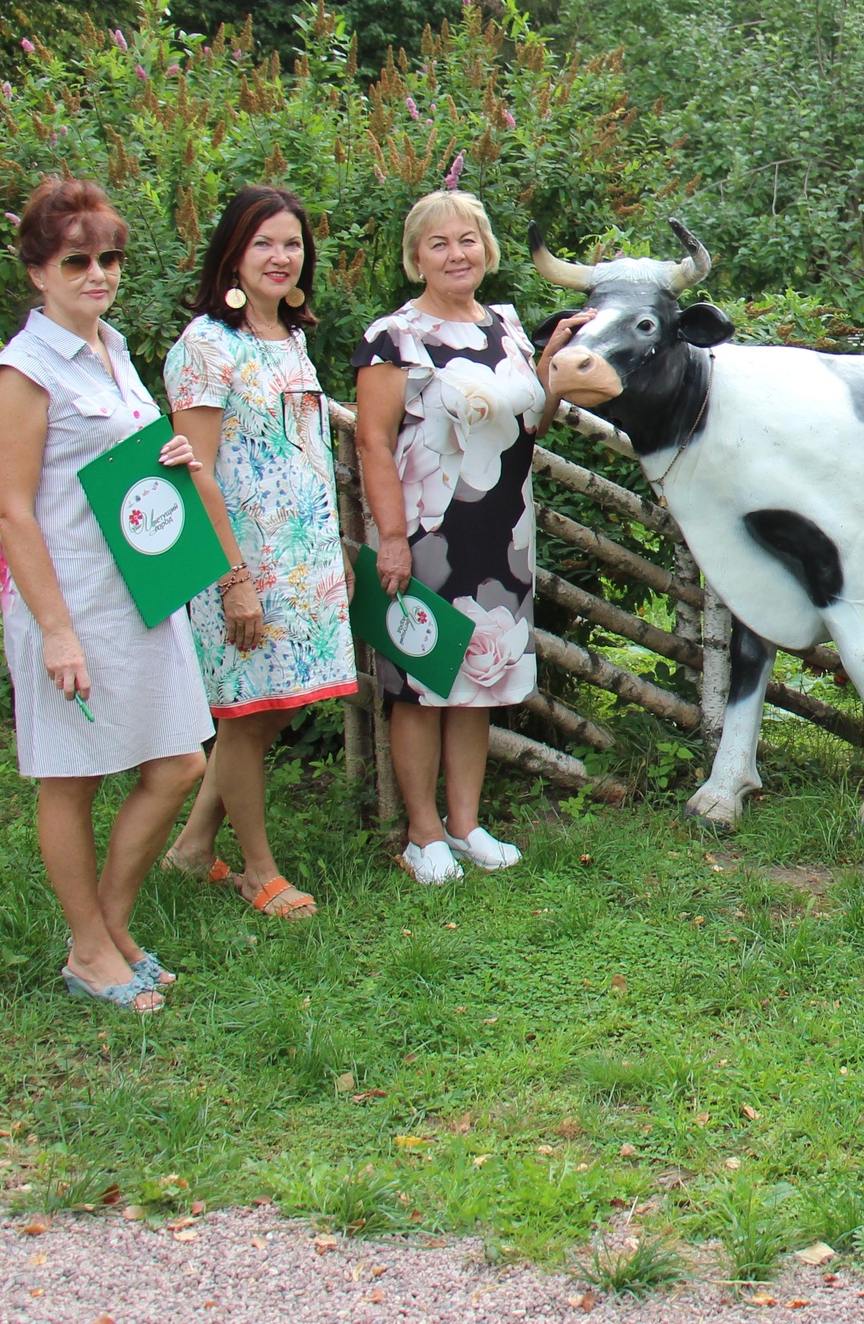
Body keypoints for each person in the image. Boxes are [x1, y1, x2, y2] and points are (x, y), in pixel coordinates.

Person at [0, 177, 212, 1013]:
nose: (98, 273)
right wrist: (56, 631)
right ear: (39, 271)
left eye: (109, 258)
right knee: (71, 778)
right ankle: (89, 949)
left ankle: (108, 924)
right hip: (71, 599)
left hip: (143, 587)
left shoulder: (112, 347)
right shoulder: (23, 371)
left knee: (182, 756)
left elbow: (110, 465)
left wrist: (171, 457)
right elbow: (11, 510)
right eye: (77, 260)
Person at [353, 189, 594, 884]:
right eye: (439, 243)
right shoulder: (393, 336)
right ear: (415, 257)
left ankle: (466, 824)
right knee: (422, 678)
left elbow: (531, 425)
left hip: (503, 527)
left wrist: (549, 360)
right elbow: (372, 442)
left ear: (486, 249)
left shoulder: (507, 326)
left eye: (467, 240)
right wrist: (391, 537)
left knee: (479, 677)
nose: (455, 253)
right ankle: (421, 834)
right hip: (430, 528)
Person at [159, 186, 357, 920]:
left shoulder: (290, 336)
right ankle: (257, 869)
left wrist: (326, 556)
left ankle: (191, 846)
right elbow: (195, 467)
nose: (282, 256)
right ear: (233, 254)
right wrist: (233, 578)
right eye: (265, 243)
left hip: (302, 558)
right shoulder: (205, 346)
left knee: (270, 710)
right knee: (244, 715)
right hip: (240, 563)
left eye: (293, 243)